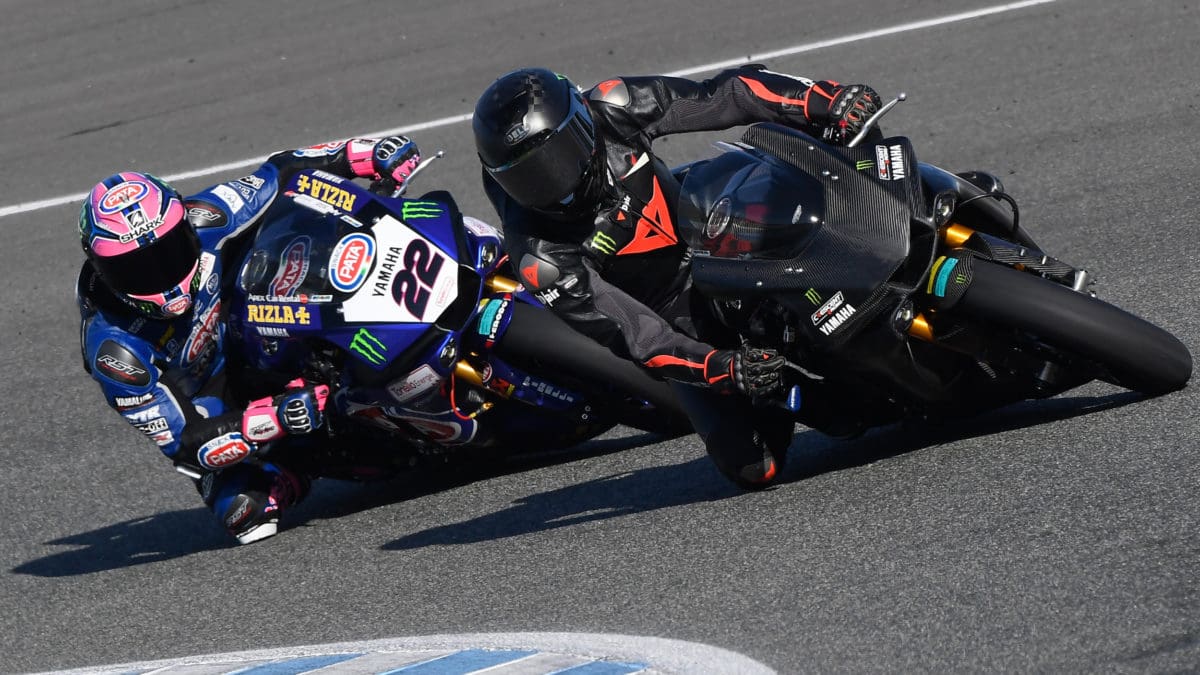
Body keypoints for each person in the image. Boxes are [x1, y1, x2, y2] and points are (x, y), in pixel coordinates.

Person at [472, 65, 885, 489]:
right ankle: (795, 391)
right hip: (678, 313)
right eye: (526, 177)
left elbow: (727, 93)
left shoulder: (613, 106)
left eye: (555, 160)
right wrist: (720, 367)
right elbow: (641, 338)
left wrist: (821, 99)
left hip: (712, 227)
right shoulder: (540, 258)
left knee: (816, 168)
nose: (551, 186)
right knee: (754, 466)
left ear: (581, 123)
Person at [76, 135, 422, 544]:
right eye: (136, 270)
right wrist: (275, 418)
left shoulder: (208, 215)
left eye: (169, 253)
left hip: (267, 318)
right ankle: (303, 461)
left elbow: (282, 170)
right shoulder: (114, 351)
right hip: (224, 401)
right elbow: (185, 445)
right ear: (100, 267)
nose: (161, 278)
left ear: (185, 222)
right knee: (244, 512)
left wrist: (364, 154)